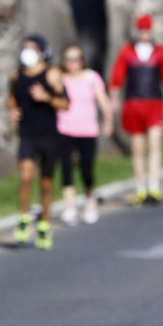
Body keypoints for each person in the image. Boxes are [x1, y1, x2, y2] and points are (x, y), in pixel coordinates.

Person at [108, 14, 163, 205]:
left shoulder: (160, 52)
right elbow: (117, 76)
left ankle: (154, 185)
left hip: (154, 103)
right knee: (138, 147)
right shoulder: (127, 51)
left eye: (147, 30)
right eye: (141, 30)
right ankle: (140, 187)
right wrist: (114, 98)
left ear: (151, 30)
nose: (144, 34)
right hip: (133, 104)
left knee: (155, 143)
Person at [7, 34, 69, 248]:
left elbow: (66, 104)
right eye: (24, 48)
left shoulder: (51, 74)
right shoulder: (17, 75)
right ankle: (24, 218)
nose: (27, 52)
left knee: (45, 183)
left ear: (42, 52)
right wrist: (13, 111)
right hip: (27, 134)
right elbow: (12, 97)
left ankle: (43, 223)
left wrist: (47, 97)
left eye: (32, 48)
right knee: (25, 176)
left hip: (49, 135)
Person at [55, 44, 111, 225]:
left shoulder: (91, 77)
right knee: (66, 169)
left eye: (77, 58)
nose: (74, 63)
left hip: (87, 130)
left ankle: (89, 200)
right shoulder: (60, 79)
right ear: (64, 62)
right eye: (69, 59)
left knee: (86, 169)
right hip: (65, 129)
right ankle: (70, 207)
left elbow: (103, 101)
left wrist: (108, 121)